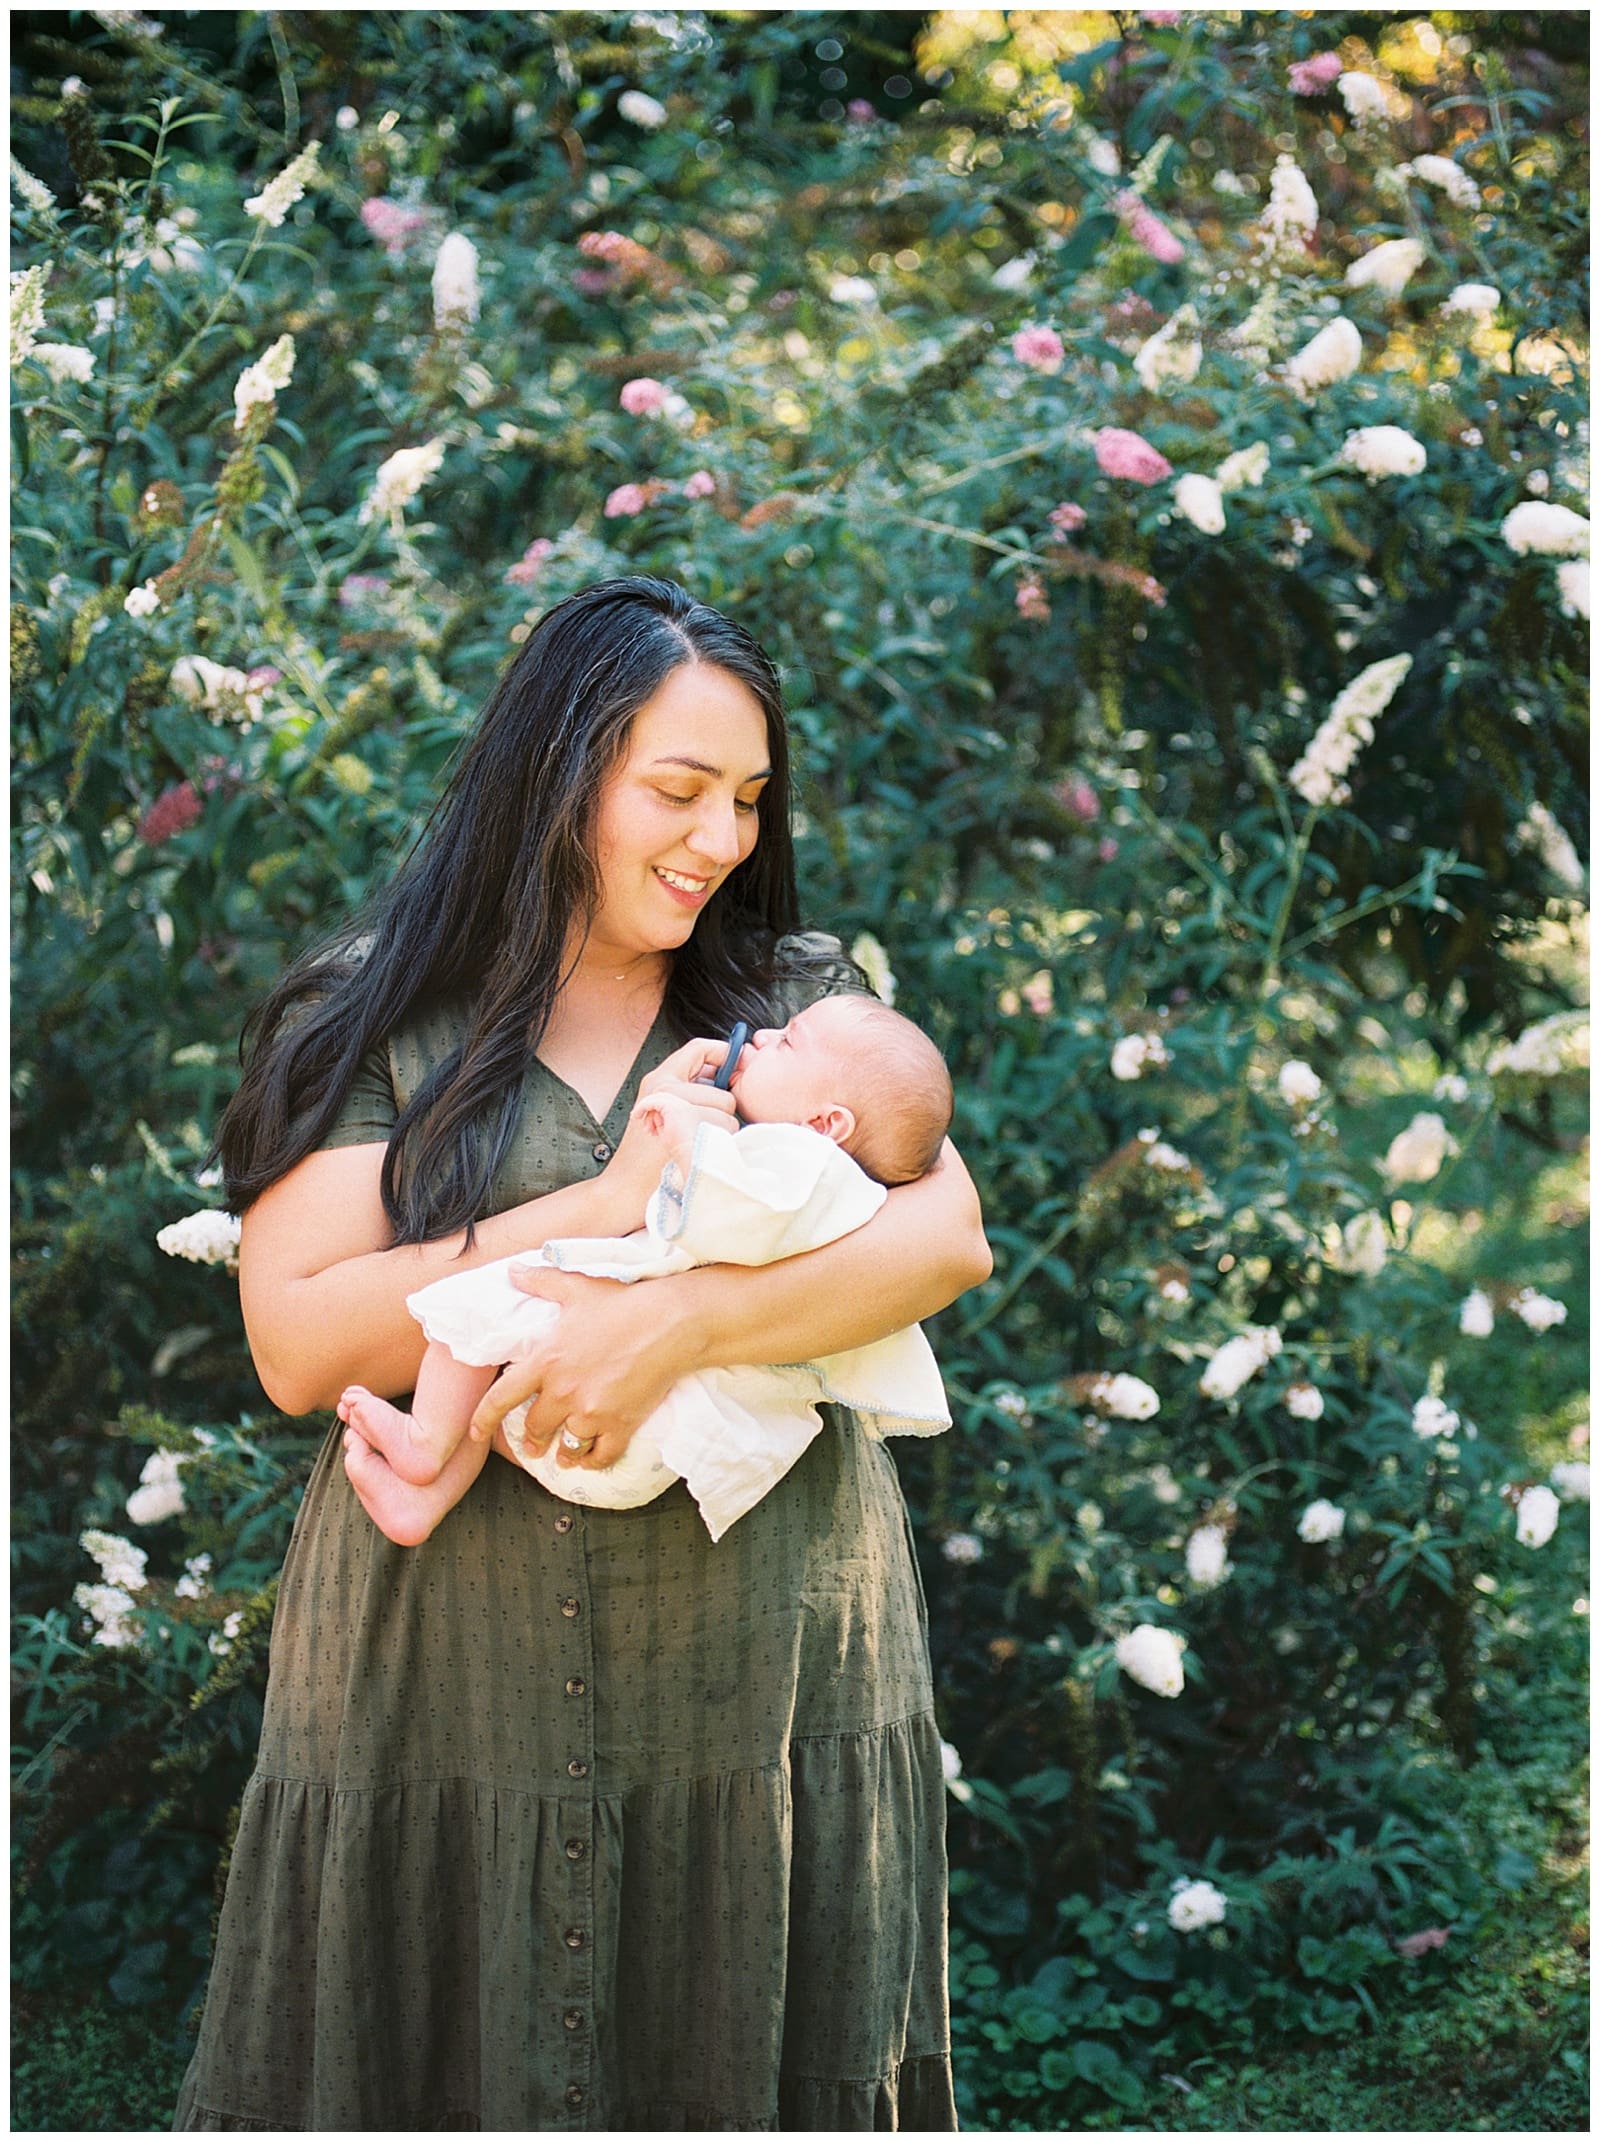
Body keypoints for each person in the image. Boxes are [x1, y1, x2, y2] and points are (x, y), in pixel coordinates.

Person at [175, 575, 991, 2131]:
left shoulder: (796, 1009)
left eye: (748, 798)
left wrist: (668, 1319)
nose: (719, 838)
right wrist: (600, 1208)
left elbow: (945, 1241)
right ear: (556, 775)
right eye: (676, 789)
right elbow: (293, 1337)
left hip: (763, 1675)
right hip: (443, 1676)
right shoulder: (381, 1016)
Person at [335, 993, 956, 1547]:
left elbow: (736, 1209)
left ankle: (425, 1447)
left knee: (476, 1310)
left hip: (633, 1415)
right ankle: (427, 1494)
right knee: (497, 1379)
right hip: (642, 1457)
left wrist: (681, 1130)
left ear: (826, 1124)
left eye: (787, 1040)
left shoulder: (802, 1165)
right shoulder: (855, 1198)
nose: (763, 1038)